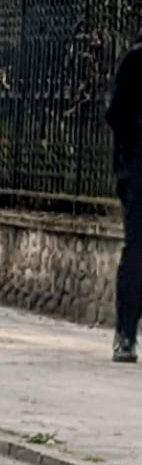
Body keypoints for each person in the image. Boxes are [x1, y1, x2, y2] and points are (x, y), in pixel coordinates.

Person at [107, 43, 142, 363]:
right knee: (138, 251)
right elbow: (116, 114)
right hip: (137, 173)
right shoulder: (135, 60)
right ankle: (126, 333)